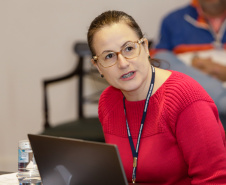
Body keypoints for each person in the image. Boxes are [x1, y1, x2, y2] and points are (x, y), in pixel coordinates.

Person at [87, 10, 226, 184]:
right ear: (98, 66)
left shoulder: (187, 99)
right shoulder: (108, 101)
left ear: (145, 47)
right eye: (108, 56)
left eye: (129, 48)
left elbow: (215, 180)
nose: (122, 63)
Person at [152, 0, 226, 126]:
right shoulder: (173, 20)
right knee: (161, 59)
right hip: (192, 103)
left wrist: (218, 69)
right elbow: (158, 63)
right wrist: (195, 70)